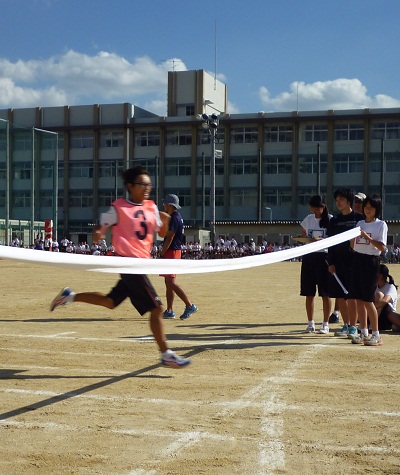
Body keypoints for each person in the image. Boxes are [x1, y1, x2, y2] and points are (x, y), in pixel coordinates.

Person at [50, 166, 191, 368]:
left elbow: (161, 232)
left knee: (110, 302)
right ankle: (166, 354)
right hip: (129, 264)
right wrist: (99, 232)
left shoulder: (151, 207)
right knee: (157, 308)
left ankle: (70, 296)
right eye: (142, 184)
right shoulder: (119, 207)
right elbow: (102, 224)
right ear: (130, 186)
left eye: (148, 184)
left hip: (140, 265)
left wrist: (166, 223)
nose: (146, 188)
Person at [350, 195, 387, 346]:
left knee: (368, 299)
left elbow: (382, 248)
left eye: (371, 207)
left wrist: (367, 237)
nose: (367, 210)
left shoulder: (381, 225)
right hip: (357, 260)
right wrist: (352, 237)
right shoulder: (359, 223)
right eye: (366, 207)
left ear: (377, 209)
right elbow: (353, 246)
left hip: (371, 261)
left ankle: (376, 334)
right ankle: (363, 332)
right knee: (358, 299)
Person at [326, 188, 364, 338]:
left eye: (341, 199)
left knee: (352, 296)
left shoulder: (359, 219)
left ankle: (354, 326)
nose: (338, 202)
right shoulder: (334, 221)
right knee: (340, 295)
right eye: (336, 200)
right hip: (337, 263)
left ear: (349, 201)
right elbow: (330, 244)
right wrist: (331, 262)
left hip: (355, 262)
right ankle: (346, 325)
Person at [160, 194, 198, 320]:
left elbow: (170, 237)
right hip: (174, 251)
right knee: (168, 282)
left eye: (165, 204)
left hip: (172, 251)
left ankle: (189, 305)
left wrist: (163, 252)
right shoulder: (177, 217)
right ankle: (169, 310)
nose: (164, 205)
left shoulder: (174, 218)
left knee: (170, 282)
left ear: (170, 205)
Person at [300, 195, 332, 334]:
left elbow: (333, 239)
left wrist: (321, 240)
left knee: (325, 293)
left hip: (324, 257)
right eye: (312, 209)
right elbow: (303, 234)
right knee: (309, 293)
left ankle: (325, 323)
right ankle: (310, 323)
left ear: (323, 207)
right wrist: (307, 239)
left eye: (317, 209)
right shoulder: (308, 219)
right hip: (309, 256)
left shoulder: (330, 219)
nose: (315, 212)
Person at [374, 264, 400, 332]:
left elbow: (385, 301)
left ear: (380, 275)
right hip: (374, 315)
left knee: (379, 296)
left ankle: (372, 325)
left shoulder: (390, 287)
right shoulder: (374, 286)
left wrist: (371, 308)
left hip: (387, 318)